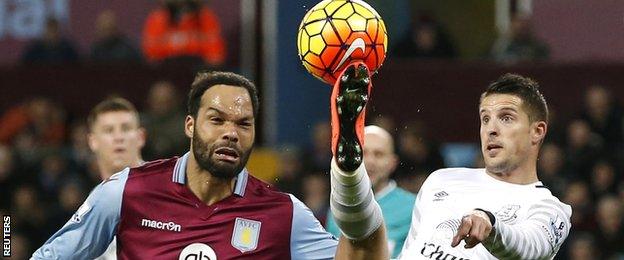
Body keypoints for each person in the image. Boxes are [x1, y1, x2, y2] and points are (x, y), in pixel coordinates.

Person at [32, 70, 382, 259]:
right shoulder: (127, 192)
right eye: (217, 120)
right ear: (190, 125)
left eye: (243, 124)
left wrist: (349, 180)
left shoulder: (284, 215)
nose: (231, 133)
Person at [331, 73, 572, 259]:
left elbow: (529, 249)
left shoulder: (551, 209)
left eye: (506, 118)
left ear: (537, 131)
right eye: (485, 118)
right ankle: (347, 169)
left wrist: (491, 226)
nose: (491, 129)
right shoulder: (443, 180)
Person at [326, 125, 415, 258]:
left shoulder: (415, 206)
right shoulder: (339, 204)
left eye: (378, 154)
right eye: (363, 153)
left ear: (393, 163)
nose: (370, 161)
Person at [86, 97, 147, 259]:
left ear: (141, 137)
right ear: (93, 141)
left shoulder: (165, 187)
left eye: (126, 129)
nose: (118, 137)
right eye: (108, 130)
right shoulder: (94, 201)